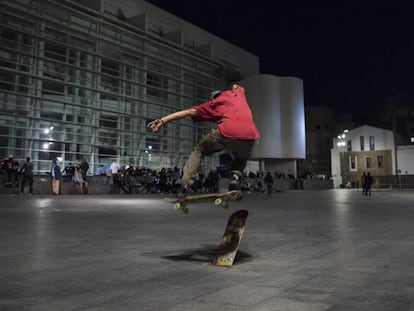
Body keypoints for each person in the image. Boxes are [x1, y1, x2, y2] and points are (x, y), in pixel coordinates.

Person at [148, 84, 260, 195]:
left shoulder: (212, 104)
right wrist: (234, 87)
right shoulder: (237, 94)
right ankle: (235, 177)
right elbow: (239, 87)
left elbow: (187, 112)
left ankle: (185, 182)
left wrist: (162, 121)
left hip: (226, 132)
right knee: (241, 157)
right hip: (250, 134)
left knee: (199, 150)